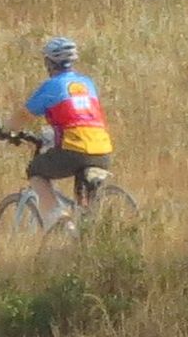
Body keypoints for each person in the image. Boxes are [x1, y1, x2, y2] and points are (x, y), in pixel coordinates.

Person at [16, 36, 117, 216]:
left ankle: (57, 219)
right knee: (85, 203)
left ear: (49, 62)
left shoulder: (52, 86)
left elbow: (23, 115)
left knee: (35, 170)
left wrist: (4, 130)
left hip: (74, 149)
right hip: (103, 150)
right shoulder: (87, 84)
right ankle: (86, 229)